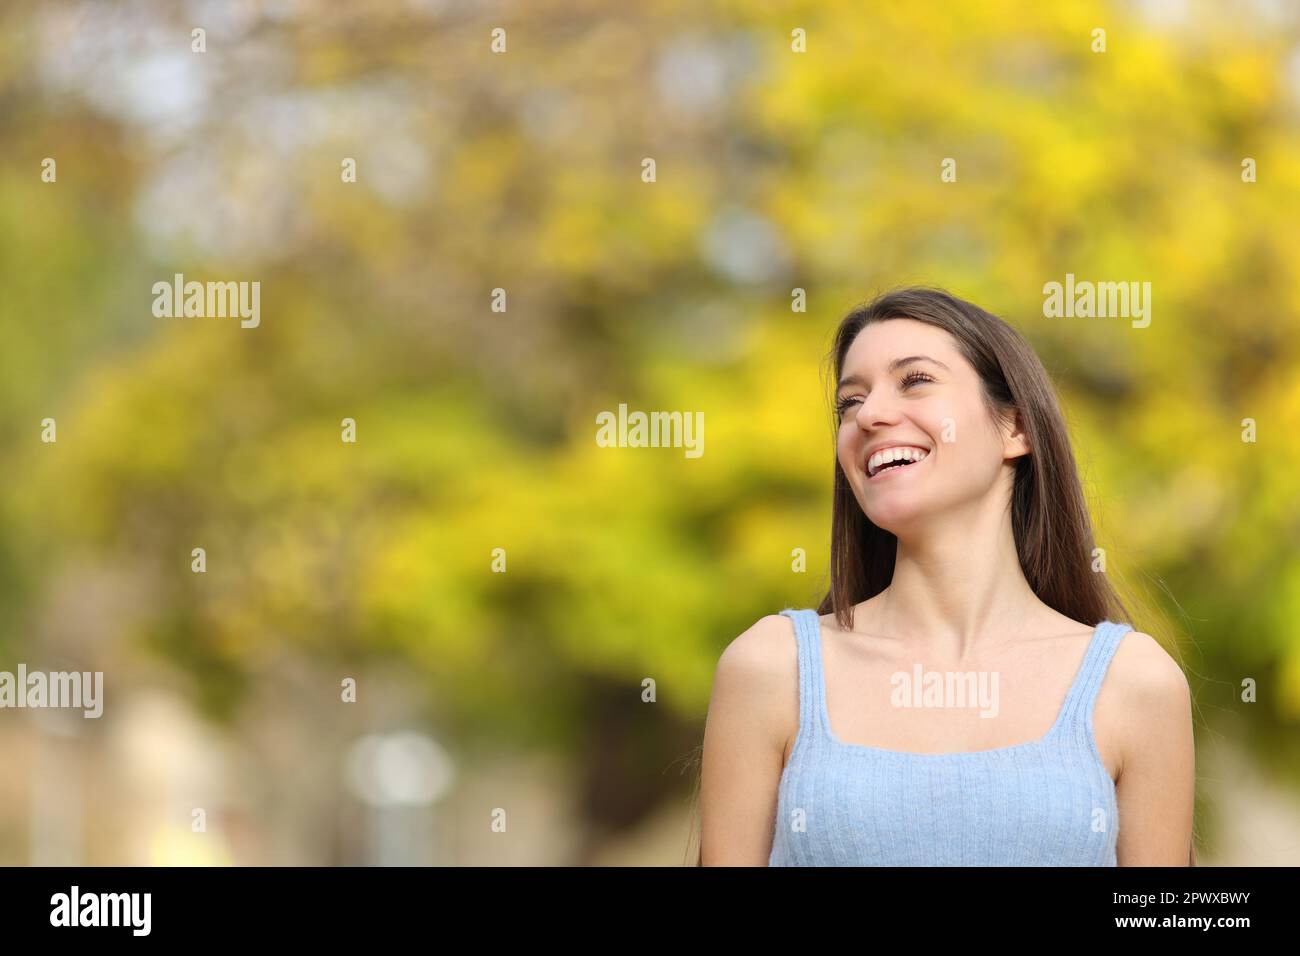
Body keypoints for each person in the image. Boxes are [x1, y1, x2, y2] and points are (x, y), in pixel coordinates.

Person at [693, 287, 1196, 866]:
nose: (871, 414)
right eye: (849, 402)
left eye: (914, 381)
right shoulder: (769, 669)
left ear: (1016, 428)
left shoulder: (1135, 683)